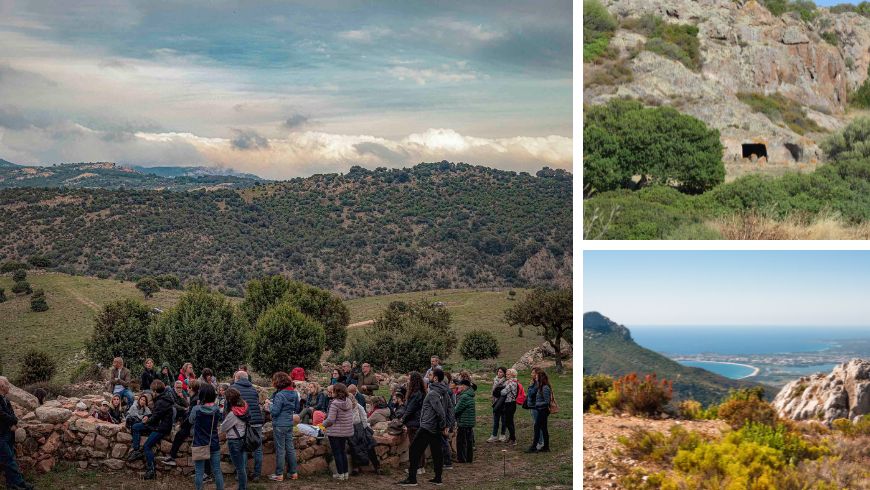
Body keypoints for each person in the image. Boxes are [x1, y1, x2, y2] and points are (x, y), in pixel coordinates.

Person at [397, 368, 447, 486]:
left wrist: (442, 425)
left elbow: (441, 412)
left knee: (414, 450)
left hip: (427, 427)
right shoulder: (443, 392)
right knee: (437, 452)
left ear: (435, 378)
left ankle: (412, 479)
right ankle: (438, 478)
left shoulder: (433, 393)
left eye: (430, 375)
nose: (427, 377)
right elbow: (446, 409)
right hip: (433, 427)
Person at [129, 380, 175, 480]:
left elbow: (156, 417)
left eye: (151, 390)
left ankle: (151, 470)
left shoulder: (161, 401)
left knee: (147, 446)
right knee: (136, 427)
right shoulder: (163, 398)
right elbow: (156, 414)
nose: (151, 393)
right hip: (157, 424)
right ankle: (136, 450)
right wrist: (148, 416)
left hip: (161, 428)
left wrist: (147, 420)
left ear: (154, 390)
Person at [0, 376, 34, 490]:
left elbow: (12, 414)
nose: (9, 387)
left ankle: (12, 485)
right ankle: (20, 484)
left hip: (8, 433)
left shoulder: (6, 399)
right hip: (1, 435)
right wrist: (14, 421)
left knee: (9, 459)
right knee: (9, 459)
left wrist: (14, 421)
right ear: (2, 386)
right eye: (8, 384)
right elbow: (2, 415)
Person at [231, 370, 264, 482]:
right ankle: (257, 475)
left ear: (238, 377)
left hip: (243, 421)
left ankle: (242, 474)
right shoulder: (253, 389)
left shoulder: (234, 388)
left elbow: (229, 406)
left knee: (243, 448)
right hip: (257, 421)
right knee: (258, 449)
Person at [190, 383, 224, 490]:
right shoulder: (216, 409)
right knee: (217, 470)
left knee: (199, 472)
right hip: (213, 442)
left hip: (199, 443)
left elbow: (191, 420)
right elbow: (218, 421)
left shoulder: (196, 409)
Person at [266, 372, 299, 482]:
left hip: (280, 424)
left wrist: (269, 405)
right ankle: (293, 473)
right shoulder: (294, 393)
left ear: (278, 382)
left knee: (280, 450)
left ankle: (279, 474)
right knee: (290, 448)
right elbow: (297, 407)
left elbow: (275, 412)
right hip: (289, 423)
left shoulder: (280, 395)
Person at [322, 383, 354, 481]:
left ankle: (340, 474)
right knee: (342, 452)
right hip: (345, 431)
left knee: (337, 453)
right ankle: (345, 474)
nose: (331, 392)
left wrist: (322, 424)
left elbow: (331, 420)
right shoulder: (348, 401)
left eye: (333, 390)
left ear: (337, 392)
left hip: (335, 432)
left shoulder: (334, 403)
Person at [220, 388, 249, 490]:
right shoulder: (244, 408)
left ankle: (242, 488)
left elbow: (223, 428)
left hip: (234, 440)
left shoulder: (233, 414)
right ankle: (243, 486)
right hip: (242, 438)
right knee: (242, 466)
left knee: (239, 468)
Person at [349, 391, 380, 475]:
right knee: (354, 448)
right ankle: (356, 468)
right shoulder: (346, 408)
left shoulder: (359, 407)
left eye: (351, 399)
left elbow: (364, 419)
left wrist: (365, 429)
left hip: (361, 428)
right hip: (351, 429)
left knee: (369, 446)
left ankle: (376, 466)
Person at [431, 368, 456, 471]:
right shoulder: (445, 390)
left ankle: (447, 462)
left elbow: (446, 409)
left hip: (439, 420)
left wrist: (446, 424)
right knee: (441, 441)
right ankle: (444, 461)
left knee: (442, 441)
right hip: (442, 420)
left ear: (436, 378)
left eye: (431, 375)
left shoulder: (439, 391)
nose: (429, 376)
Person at [527, 370, 552, 453]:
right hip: (541, 410)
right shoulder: (541, 386)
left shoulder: (545, 387)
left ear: (541, 378)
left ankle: (534, 447)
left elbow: (547, 401)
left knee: (537, 427)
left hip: (543, 411)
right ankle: (546, 447)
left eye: (537, 377)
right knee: (544, 428)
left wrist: (537, 404)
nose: (536, 378)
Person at [453, 379, 476, 463]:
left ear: (464, 386)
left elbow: (456, 410)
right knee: (469, 441)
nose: (458, 387)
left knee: (461, 441)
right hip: (469, 422)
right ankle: (469, 458)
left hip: (464, 421)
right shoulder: (469, 395)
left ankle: (461, 459)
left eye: (460, 385)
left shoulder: (464, 396)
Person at [524, 368, 544, 451]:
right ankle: (540, 442)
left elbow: (531, 393)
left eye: (533, 373)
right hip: (533, 406)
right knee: (537, 424)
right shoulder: (535, 383)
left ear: (537, 374)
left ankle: (540, 442)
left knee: (537, 425)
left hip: (536, 406)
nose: (531, 374)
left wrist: (530, 386)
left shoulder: (537, 384)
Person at [488, 367, 508, 442]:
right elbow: (492, 391)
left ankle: (502, 435)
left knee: (503, 419)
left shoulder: (506, 381)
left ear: (504, 373)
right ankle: (494, 435)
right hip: (495, 402)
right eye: (498, 372)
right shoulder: (495, 380)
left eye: (501, 372)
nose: (499, 373)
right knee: (496, 419)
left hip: (503, 402)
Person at [501, 369, 520, 446]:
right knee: (507, 421)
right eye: (506, 374)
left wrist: (501, 389)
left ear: (513, 375)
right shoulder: (508, 382)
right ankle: (511, 437)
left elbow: (503, 392)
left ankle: (513, 439)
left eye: (508, 374)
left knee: (509, 421)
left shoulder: (512, 383)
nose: (506, 375)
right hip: (507, 403)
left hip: (511, 403)